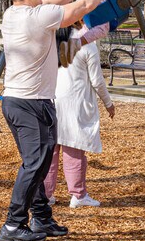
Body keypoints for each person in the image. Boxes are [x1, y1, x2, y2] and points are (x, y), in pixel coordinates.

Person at [0, 0, 118, 241]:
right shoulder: (39, 17)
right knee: (34, 165)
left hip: (19, 102)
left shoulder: (13, 13)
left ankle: (41, 218)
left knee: (37, 164)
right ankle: (14, 224)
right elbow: (80, 9)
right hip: (31, 104)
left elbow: (51, 2)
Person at [44, 22, 115, 208]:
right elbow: (97, 81)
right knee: (74, 150)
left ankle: (45, 194)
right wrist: (108, 103)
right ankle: (78, 194)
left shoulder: (52, 41)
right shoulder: (86, 45)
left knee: (50, 153)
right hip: (75, 102)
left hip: (51, 99)